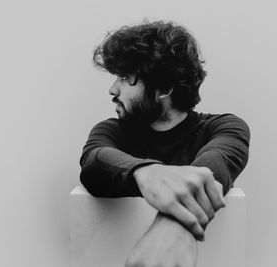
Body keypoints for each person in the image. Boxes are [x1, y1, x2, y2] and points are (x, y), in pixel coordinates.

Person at [79, 19, 250, 267]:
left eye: (126, 78)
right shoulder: (112, 130)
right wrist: (149, 173)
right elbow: (94, 162)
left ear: (164, 87)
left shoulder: (223, 127)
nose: (112, 89)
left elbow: (216, 164)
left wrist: (173, 223)